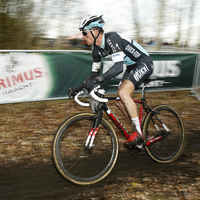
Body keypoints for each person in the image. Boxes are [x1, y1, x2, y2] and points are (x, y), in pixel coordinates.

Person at [69, 15, 154, 149]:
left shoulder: (112, 38)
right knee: (119, 101)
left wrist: (98, 80)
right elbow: (94, 73)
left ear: (95, 31)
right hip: (132, 66)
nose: (83, 37)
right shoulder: (96, 50)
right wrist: (80, 87)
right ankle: (141, 128)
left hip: (144, 62)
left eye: (85, 33)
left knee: (123, 93)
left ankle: (138, 133)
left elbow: (118, 67)